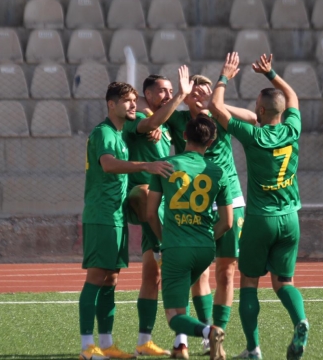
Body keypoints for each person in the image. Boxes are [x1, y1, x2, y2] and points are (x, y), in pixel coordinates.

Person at [139, 75, 257, 354]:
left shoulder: (220, 116)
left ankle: (213, 333)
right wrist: (156, 113)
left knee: (226, 272)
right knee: (198, 272)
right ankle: (201, 335)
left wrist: (219, 104)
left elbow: (253, 117)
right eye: (195, 93)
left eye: (205, 93)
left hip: (228, 199)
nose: (200, 97)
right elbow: (151, 115)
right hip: (196, 203)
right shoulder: (179, 120)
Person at [209, 53, 310, 360]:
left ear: (261, 110)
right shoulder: (293, 129)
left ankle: (253, 349)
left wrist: (225, 76)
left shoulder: (253, 135)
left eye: (256, 104)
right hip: (291, 218)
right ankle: (300, 321)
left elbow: (215, 108)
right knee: (284, 282)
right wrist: (271, 74)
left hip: (260, 219)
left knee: (249, 282)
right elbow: (291, 95)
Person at [79, 82, 174, 360]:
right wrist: (146, 166)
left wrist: (152, 124)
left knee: (111, 279)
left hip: (116, 215)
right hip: (102, 215)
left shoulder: (121, 134)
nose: (133, 105)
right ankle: (87, 347)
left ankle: (106, 345)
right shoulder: (104, 132)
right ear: (111, 104)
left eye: (134, 100)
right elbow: (108, 164)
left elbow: (146, 123)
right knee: (96, 278)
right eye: (127, 101)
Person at [147, 115, 233, 360]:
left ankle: (210, 331)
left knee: (173, 317)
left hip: (177, 246)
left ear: (184, 136)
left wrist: (165, 240)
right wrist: (206, 237)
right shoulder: (218, 171)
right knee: (183, 292)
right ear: (212, 141)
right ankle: (180, 348)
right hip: (205, 248)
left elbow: (150, 213)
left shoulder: (165, 164)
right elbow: (226, 222)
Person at [122, 67, 193, 357]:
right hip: (145, 198)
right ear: (146, 95)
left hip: (166, 202)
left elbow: (164, 125)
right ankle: (184, 339)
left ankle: (144, 341)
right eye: (161, 90)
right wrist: (180, 95)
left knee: (152, 276)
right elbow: (149, 121)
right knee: (144, 192)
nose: (166, 95)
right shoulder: (138, 118)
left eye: (169, 90)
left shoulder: (162, 126)